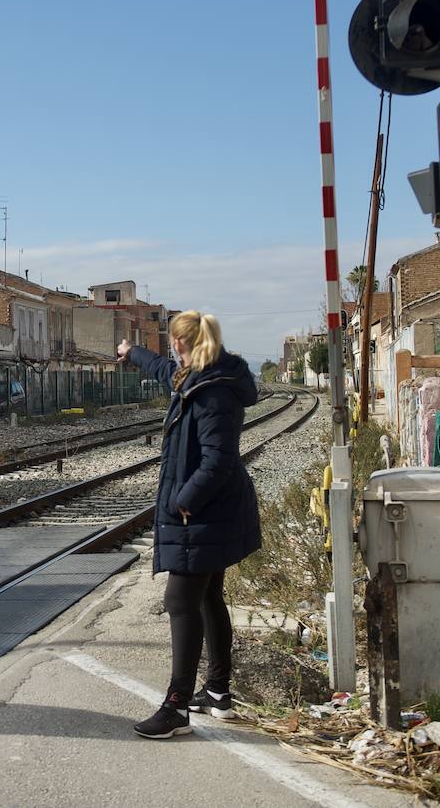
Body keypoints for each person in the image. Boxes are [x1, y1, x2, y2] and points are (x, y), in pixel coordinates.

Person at [117, 311, 261, 739]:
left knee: (180, 602)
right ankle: (217, 691)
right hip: (211, 511)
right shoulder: (196, 376)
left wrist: (184, 500)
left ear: (186, 344)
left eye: (174, 344)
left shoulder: (212, 393)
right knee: (207, 597)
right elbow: (162, 369)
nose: (172, 352)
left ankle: (176, 708)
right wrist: (133, 352)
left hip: (204, 512)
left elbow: (218, 459)